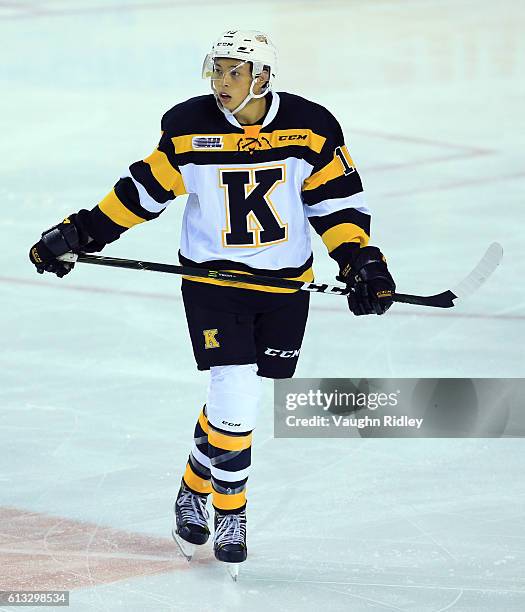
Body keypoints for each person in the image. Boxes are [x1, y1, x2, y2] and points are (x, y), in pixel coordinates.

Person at [29, 29, 396, 575]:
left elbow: (335, 206)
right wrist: (80, 233)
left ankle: (192, 484)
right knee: (234, 389)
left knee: (240, 399)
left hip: (283, 286)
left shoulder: (312, 127)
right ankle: (232, 514)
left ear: (263, 77)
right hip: (212, 284)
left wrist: (361, 261)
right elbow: (141, 194)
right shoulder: (188, 128)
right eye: (216, 71)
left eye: (234, 72)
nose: (221, 83)